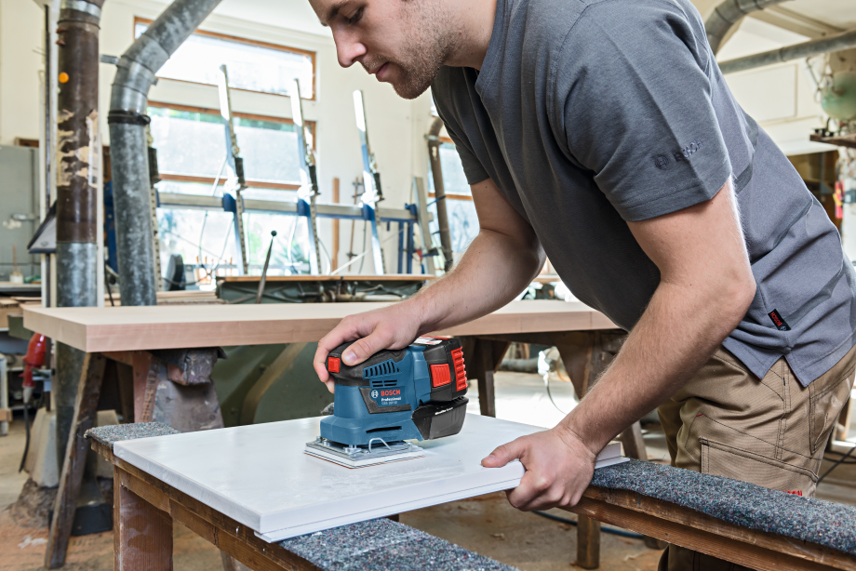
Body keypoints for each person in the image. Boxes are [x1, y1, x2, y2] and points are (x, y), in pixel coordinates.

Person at [307, 0, 856, 568]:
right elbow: (508, 240)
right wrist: (415, 314)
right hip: (682, 318)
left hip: (768, 333)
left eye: (354, 12)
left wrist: (574, 438)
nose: (345, 52)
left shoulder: (600, 36)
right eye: (331, 27)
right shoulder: (454, 76)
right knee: (689, 536)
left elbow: (715, 283)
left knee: (718, 552)